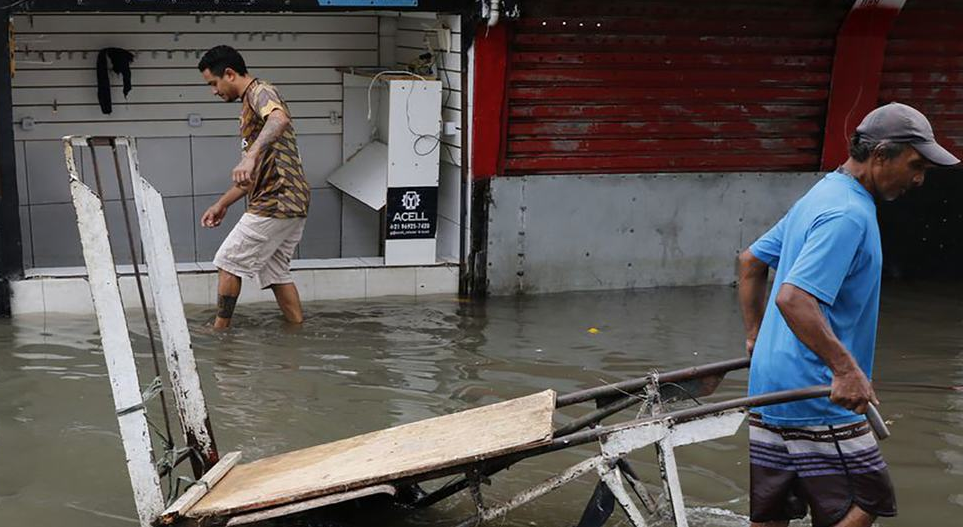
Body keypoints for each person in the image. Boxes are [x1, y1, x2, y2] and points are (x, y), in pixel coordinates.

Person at [737, 102, 959, 527]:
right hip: (817, 394)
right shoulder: (848, 214)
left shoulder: (822, 194)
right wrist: (846, 370)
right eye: (916, 165)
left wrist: (755, 338)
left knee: (772, 512)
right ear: (880, 155)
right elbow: (793, 298)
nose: (919, 179)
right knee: (868, 501)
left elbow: (750, 262)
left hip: (770, 387)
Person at [196, 45, 311, 328]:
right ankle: (298, 331)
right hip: (291, 200)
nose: (214, 91)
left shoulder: (261, 92)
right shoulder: (249, 105)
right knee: (275, 272)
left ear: (230, 74)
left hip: (276, 199)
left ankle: (219, 334)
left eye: (214, 83)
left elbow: (279, 118)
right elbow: (252, 175)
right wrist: (222, 204)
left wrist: (249, 155)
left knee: (227, 261)